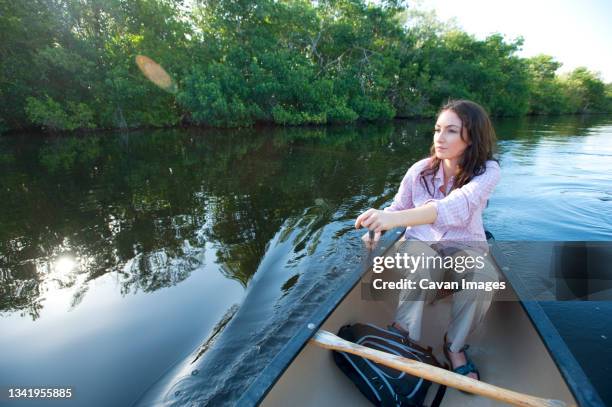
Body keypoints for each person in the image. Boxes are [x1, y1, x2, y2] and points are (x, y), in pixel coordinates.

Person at [355, 99, 501, 381]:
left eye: (451, 131)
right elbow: (397, 210)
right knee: (425, 261)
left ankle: (454, 346)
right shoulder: (419, 170)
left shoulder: (487, 172)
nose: (439, 138)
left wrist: (392, 219)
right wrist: (378, 227)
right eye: (437, 129)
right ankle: (402, 332)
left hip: (464, 245)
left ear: (471, 138)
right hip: (419, 243)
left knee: (484, 275)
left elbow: (455, 207)